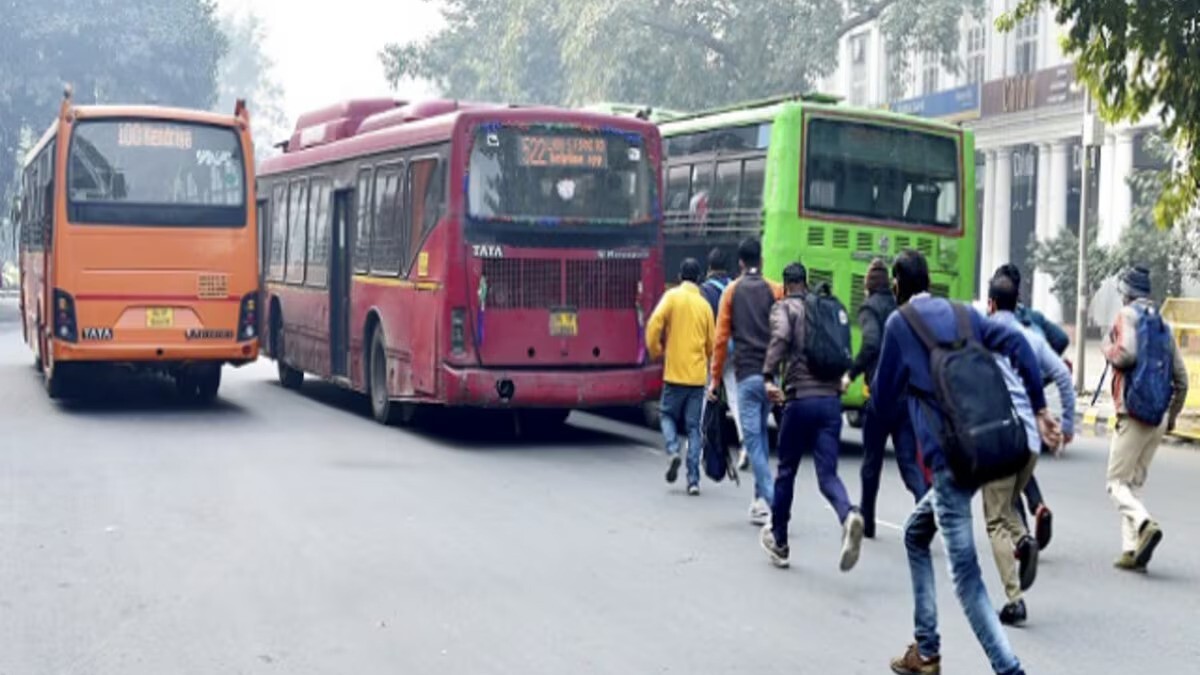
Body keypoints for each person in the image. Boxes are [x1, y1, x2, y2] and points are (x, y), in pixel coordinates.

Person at [873, 250, 1057, 675]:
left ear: (898, 283)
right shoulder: (963, 314)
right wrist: (1040, 406)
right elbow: (1018, 344)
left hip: (950, 461)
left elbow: (882, 403)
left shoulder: (900, 325)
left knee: (966, 577)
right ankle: (926, 648)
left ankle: (1009, 669)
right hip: (986, 447)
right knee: (916, 535)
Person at [758, 263, 865, 571]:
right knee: (827, 475)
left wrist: (767, 376)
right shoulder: (824, 309)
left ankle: (780, 542)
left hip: (800, 400)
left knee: (787, 471)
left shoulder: (785, 308)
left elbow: (779, 338)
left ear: (786, 286)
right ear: (805, 284)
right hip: (831, 403)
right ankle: (848, 514)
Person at [983, 273, 1076, 626]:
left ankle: (1014, 599)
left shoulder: (984, 336)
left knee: (993, 520)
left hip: (1001, 439)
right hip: (1031, 443)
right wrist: (1065, 425)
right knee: (1006, 505)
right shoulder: (1032, 338)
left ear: (990, 304)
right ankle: (1024, 540)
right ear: (1017, 301)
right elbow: (1063, 377)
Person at [1102, 265, 1189, 571]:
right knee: (1132, 485)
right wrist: (1172, 416)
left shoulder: (1127, 316)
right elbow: (1182, 379)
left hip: (1133, 413)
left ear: (1126, 293)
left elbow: (1124, 355)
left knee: (1115, 483)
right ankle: (1130, 550)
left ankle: (1144, 523)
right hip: (1158, 416)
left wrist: (1107, 348)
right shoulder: (1163, 324)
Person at [849, 259, 928, 538]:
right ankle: (925, 507)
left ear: (868, 285)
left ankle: (867, 521)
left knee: (871, 463)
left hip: (880, 396)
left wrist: (852, 373)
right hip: (904, 395)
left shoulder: (869, 308)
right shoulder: (900, 308)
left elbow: (870, 342)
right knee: (908, 461)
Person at [993, 263, 1069, 549]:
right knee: (1021, 462)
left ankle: (1024, 536)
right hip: (1031, 402)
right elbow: (1061, 340)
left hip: (1004, 407)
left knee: (1008, 474)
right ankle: (1037, 508)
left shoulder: (993, 326)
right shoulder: (1033, 320)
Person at [709, 238, 783, 525]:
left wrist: (715, 380)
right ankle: (758, 503)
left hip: (747, 377)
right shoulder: (775, 289)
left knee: (752, 444)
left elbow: (720, 341)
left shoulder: (731, 291)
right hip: (770, 378)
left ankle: (777, 507)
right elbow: (785, 331)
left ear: (740, 263)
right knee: (761, 439)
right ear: (760, 260)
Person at [646, 258, 716, 496]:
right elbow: (711, 345)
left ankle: (673, 449)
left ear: (679, 276)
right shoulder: (704, 305)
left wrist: (656, 350)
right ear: (699, 279)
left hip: (674, 373)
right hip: (696, 378)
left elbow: (654, 324)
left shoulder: (672, 297)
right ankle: (693, 481)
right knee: (694, 428)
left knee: (666, 414)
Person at [699, 248, 747, 469]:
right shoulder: (736, 288)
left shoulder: (704, 291)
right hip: (735, 349)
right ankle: (745, 445)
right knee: (737, 399)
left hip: (714, 351)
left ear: (709, 267)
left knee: (704, 397)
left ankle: (699, 447)